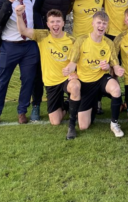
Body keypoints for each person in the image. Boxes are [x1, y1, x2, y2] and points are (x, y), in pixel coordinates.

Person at [16, 8, 80, 139]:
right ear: (47, 24)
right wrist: (18, 15)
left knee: (75, 86)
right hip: (51, 81)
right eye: (52, 22)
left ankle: (72, 123)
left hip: (66, 79)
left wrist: (75, 73)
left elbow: (78, 60)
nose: (55, 24)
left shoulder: (72, 40)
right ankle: (67, 105)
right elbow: (23, 31)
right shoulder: (42, 35)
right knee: (55, 121)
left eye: (58, 21)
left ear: (63, 23)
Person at [65, 11, 126, 137]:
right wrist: (68, 70)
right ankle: (89, 107)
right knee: (83, 126)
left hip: (101, 79)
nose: (102, 26)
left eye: (104, 23)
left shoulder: (109, 43)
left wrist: (115, 68)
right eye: (99, 22)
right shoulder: (81, 41)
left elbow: (115, 64)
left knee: (115, 88)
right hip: (85, 82)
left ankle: (114, 124)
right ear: (93, 23)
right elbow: (72, 63)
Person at [0, 0, 39, 126]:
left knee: (28, 80)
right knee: (2, 80)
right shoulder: (4, 1)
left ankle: (22, 112)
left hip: (29, 46)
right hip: (9, 46)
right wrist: (7, 4)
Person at [31, 0, 77, 121]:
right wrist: (42, 33)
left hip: (61, 35)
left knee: (67, 64)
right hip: (43, 37)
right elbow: (34, 10)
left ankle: (70, 102)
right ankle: (36, 104)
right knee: (39, 70)